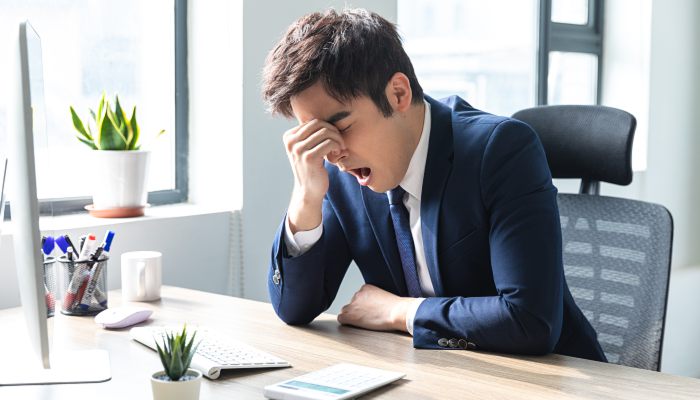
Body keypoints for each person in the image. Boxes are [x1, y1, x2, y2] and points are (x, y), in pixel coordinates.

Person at [262, 8, 605, 361]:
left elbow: (531, 321)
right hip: (437, 376)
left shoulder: (500, 151)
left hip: (557, 381)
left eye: (341, 127)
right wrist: (305, 198)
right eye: (315, 135)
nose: (333, 152)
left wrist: (402, 312)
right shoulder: (338, 172)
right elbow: (294, 309)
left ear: (398, 94)